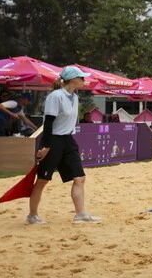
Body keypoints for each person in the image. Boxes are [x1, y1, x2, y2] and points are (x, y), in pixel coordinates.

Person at [27, 66, 101, 225]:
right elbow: (48, 122)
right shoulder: (56, 96)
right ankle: (32, 215)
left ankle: (80, 214)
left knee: (80, 178)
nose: (84, 80)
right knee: (42, 180)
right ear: (73, 79)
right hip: (53, 141)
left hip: (68, 140)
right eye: (82, 78)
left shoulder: (74, 96)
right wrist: (45, 146)